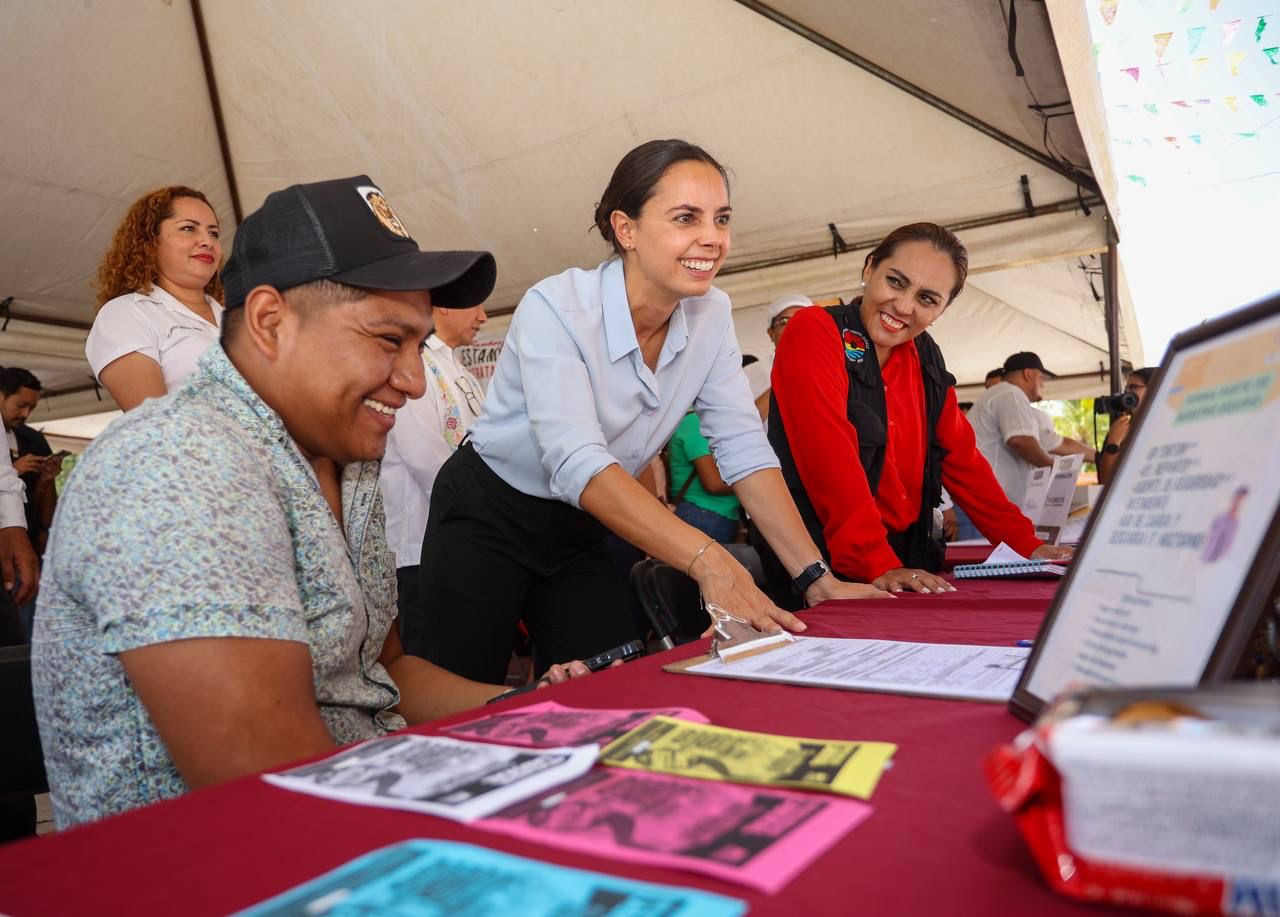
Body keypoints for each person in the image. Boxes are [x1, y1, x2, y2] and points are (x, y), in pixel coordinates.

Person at [31, 175, 601, 829]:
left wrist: (527, 705)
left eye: (419, 345)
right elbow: (276, 801)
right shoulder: (179, 462)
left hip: (347, 818)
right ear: (272, 322)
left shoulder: (345, 462)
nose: (415, 381)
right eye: (388, 340)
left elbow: (381, 673)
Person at [419, 139, 887, 685]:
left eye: (722, 219)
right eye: (686, 217)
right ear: (626, 229)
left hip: (581, 525)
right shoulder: (557, 306)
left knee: (612, 684)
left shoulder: (712, 313)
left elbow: (742, 446)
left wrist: (815, 577)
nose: (711, 238)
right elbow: (575, 460)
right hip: (488, 511)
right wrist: (710, 560)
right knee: (461, 685)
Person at [764, 223, 1070, 603]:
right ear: (869, 269)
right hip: (822, 566)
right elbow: (827, 455)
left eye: (927, 299)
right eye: (895, 282)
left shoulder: (925, 355)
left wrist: (1025, 544)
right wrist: (876, 561)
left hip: (901, 560)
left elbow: (962, 459)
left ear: (942, 310)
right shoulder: (814, 329)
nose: (904, 306)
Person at [380, 301, 489, 658]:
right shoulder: (416, 363)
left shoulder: (456, 366)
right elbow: (426, 459)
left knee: (465, 656)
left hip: (462, 537)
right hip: (422, 547)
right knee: (432, 658)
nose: (483, 316)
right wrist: (486, 511)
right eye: (475, 304)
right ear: (442, 307)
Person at [86, 186, 225, 411]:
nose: (207, 241)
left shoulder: (240, 317)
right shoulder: (126, 314)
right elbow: (154, 422)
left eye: (214, 233)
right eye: (189, 228)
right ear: (150, 242)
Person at [968, 352, 1096, 505]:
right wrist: (1053, 469)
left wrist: (1101, 457)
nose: (1042, 384)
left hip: (988, 502)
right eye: (1041, 377)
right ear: (1028, 374)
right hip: (982, 502)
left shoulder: (1012, 402)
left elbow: (1060, 443)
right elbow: (1020, 441)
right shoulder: (1010, 393)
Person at [1, 369, 64, 558]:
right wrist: (13, 471)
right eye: (21, 405)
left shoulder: (34, 440)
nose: (25, 414)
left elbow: (40, 503)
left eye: (31, 408)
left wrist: (47, 479)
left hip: (27, 542)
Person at [1097, 367, 1156, 485]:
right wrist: (1113, 443)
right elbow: (1105, 482)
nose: (1128, 394)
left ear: (1155, 388)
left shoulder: (1169, 425)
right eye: (1126, 389)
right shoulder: (1121, 429)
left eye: (1133, 388)